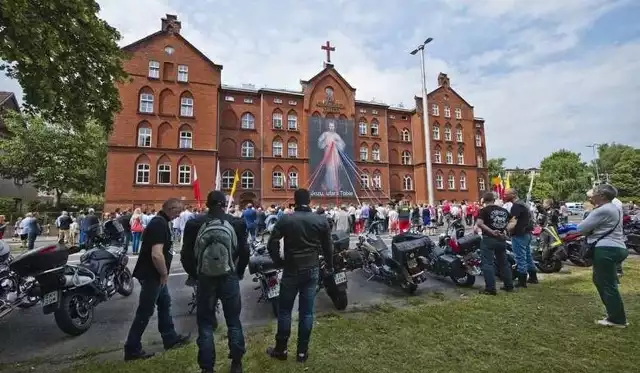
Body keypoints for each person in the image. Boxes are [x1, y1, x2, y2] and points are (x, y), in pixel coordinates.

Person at [181, 191, 249, 373]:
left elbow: (185, 254)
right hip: (229, 276)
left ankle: (207, 367)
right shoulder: (236, 222)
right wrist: (239, 271)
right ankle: (236, 363)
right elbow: (245, 251)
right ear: (223, 203)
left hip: (204, 277)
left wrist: (194, 274)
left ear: (208, 204)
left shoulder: (194, 223)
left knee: (205, 323)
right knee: (233, 320)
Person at [265, 189, 333, 363]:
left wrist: (278, 262)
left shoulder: (286, 219)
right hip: (311, 268)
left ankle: (281, 349)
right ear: (309, 201)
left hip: (291, 268)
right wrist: (330, 265)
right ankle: (302, 352)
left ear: (294, 201)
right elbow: (328, 247)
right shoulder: (320, 220)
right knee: (306, 312)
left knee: (285, 310)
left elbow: (271, 242)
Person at [124, 198, 190, 361]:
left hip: (155, 275)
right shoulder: (159, 224)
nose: (179, 214)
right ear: (171, 208)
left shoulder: (160, 221)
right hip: (153, 275)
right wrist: (164, 274)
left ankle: (170, 338)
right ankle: (132, 348)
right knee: (145, 311)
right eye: (178, 211)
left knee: (164, 304)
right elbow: (156, 254)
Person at [578, 184, 628, 327]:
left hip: (606, 248)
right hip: (615, 247)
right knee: (604, 281)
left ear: (602, 196)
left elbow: (581, 228)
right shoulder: (613, 208)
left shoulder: (603, 210)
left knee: (606, 284)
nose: (591, 195)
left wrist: (589, 213)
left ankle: (616, 319)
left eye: (595, 193)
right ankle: (615, 314)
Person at [475, 192, 513, 295]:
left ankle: (490, 288)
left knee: (488, 263)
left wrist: (491, 231)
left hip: (489, 239)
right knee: (504, 263)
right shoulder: (503, 210)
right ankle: (509, 285)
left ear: (484, 200)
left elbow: (479, 223)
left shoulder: (484, 210)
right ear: (493, 200)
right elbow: (512, 221)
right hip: (501, 239)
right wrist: (505, 230)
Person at [504, 188, 538, 288]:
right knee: (528, 256)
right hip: (527, 234)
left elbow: (513, 222)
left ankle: (522, 281)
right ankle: (533, 277)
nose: (504, 196)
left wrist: (506, 230)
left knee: (520, 258)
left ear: (513, 195)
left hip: (519, 234)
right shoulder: (524, 204)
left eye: (507, 194)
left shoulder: (516, 206)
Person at [316, 120, 346, 192]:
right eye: (330, 126)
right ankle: (328, 185)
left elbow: (342, 144)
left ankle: (335, 186)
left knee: (335, 169)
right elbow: (319, 142)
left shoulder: (336, 135)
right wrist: (325, 144)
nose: (331, 127)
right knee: (329, 169)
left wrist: (336, 143)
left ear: (334, 127)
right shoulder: (325, 134)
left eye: (332, 126)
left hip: (335, 154)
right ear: (328, 127)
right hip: (328, 154)